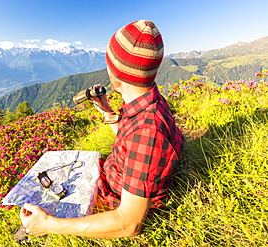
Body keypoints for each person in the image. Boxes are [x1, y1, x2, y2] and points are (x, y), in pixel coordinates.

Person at [19, 20, 185, 238]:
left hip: (110, 198)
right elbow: (130, 144)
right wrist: (105, 109)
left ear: (117, 70)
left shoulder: (147, 131)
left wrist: (50, 225)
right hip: (109, 174)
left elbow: (128, 224)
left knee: (35, 198)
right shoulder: (149, 101)